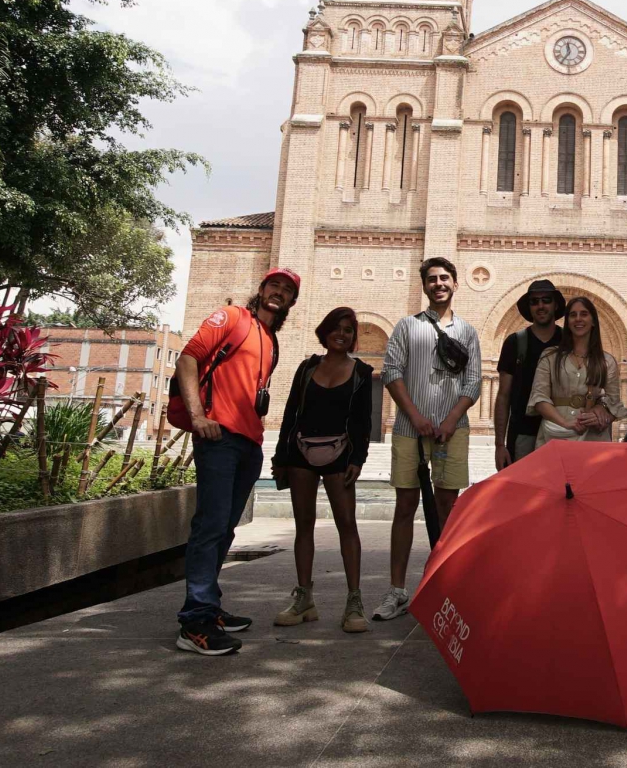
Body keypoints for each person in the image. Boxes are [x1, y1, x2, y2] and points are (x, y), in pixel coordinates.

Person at [174, 267, 298, 656]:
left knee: (225, 528)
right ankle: (195, 622)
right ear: (261, 289)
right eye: (273, 285)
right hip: (219, 437)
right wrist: (198, 417)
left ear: (291, 302)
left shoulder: (270, 340)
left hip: (249, 443)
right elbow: (188, 358)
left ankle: (209, 606)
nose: (278, 292)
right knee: (210, 526)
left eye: (287, 290)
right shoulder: (231, 317)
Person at [373, 257, 482, 622]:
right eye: (432, 279)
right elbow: (391, 372)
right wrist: (416, 417)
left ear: (455, 284)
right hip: (408, 430)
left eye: (445, 278)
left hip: (454, 431)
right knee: (405, 506)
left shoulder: (467, 331)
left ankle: (441, 586)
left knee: (447, 509)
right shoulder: (407, 327)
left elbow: (474, 382)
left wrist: (451, 418)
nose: (439, 283)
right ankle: (397, 590)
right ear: (424, 286)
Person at [270, 307, 374, 633]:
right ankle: (304, 599)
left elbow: (362, 421)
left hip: (340, 454)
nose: (341, 334)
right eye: (336, 328)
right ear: (325, 331)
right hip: (301, 453)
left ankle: (354, 602)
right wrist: (281, 459)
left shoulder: (361, 372)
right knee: (304, 525)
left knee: (347, 525)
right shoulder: (306, 368)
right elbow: (290, 414)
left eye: (347, 329)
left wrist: (358, 459)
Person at [527, 296, 625, 445]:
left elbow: (614, 403)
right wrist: (566, 423)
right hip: (555, 435)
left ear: (593, 321)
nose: (578, 319)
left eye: (584, 314)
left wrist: (601, 415)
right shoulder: (550, 357)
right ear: (567, 322)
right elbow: (539, 398)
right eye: (573, 315)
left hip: (593, 439)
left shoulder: (607, 362)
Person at [494, 280, 566, 469]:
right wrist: (499, 445)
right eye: (534, 302)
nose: (540, 306)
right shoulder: (515, 342)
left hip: (560, 433)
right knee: (521, 493)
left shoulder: (569, 341)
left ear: (555, 304)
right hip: (522, 435)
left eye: (546, 300)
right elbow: (503, 395)